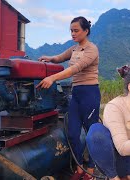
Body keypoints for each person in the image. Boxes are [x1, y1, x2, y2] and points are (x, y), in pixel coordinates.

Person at [36, 16, 100, 180]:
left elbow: (74, 70)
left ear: (86, 31)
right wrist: (49, 58)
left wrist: (52, 78)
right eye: (71, 30)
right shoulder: (73, 49)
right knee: (72, 133)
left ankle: (90, 171)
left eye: (76, 30)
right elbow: (59, 58)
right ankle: (79, 168)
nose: (73, 33)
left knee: (91, 133)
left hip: (90, 92)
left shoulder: (91, 50)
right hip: (76, 93)